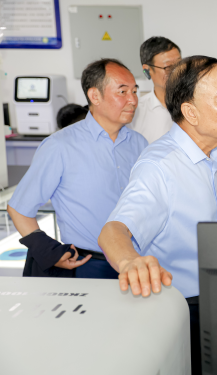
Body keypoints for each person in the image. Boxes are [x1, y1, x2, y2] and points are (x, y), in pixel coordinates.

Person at [98, 56, 217, 375]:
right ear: (191, 112)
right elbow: (113, 230)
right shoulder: (160, 166)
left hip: (215, 299)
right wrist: (130, 262)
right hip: (182, 309)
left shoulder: (207, 156)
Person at [8, 59, 148, 278]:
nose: (133, 100)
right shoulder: (60, 146)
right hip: (91, 265)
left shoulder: (139, 143)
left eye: (134, 91)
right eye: (122, 92)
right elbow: (19, 208)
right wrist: (48, 251)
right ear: (95, 96)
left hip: (139, 260)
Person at [130, 36, 182, 143]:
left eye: (179, 64)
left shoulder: (196, 102)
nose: (176, 71)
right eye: (168, 67)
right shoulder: (135, 113)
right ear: (147, 70)